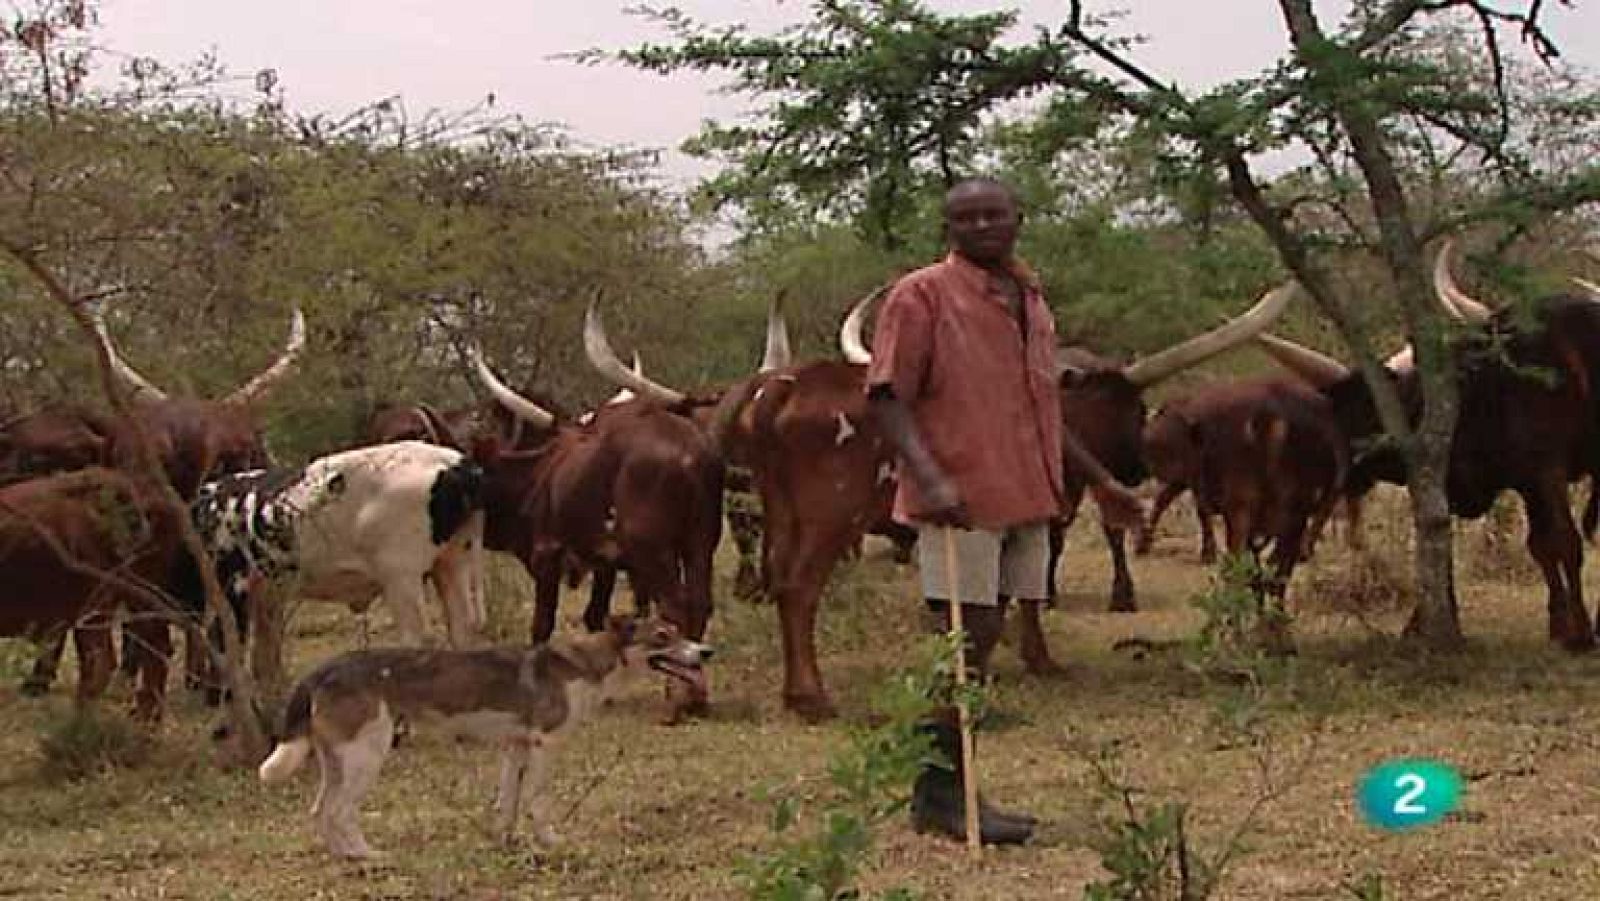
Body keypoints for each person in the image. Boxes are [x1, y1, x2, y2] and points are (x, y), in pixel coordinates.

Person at [866, 177, 1144, 845]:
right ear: (949, 227)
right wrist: (929, 479)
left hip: (1027, 492)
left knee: (982, 643)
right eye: (967, 217)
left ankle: (949, 791)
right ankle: (939, 794)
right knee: (963, 638)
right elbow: (884, 395)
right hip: (961, 496)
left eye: (995, 213)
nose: (983, 225)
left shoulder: (1030, 297)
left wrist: (1103, 480)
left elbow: (1041, 405)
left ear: (1018, 218)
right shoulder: (922, 293)